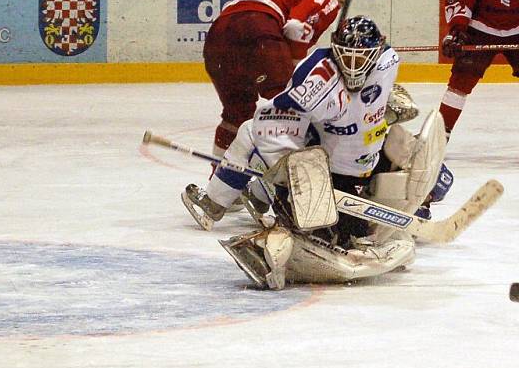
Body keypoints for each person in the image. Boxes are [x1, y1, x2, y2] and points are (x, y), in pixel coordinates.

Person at [183, 17, 431, 289]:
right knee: (271, 142)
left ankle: (217, 203)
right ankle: (259, 195)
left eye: (360, 59)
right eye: (346, 58)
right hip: (353, 170)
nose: (352, 66)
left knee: (250, 132)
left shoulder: (371, 65)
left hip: (341, 177)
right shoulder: (379, 62)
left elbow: (273, 127)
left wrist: (285, 175)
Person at [202, 0, 352, 159]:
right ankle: (295, 170)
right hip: (257, 29)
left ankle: (220, 174)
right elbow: (296, 28)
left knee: (237, 113)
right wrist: (295, 74)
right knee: (294, 103)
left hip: (216, 40)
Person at [439, 0, 519, 137]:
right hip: (481, 30)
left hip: (518, 31)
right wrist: (457, 32)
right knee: (459, 83)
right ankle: (440, 136)